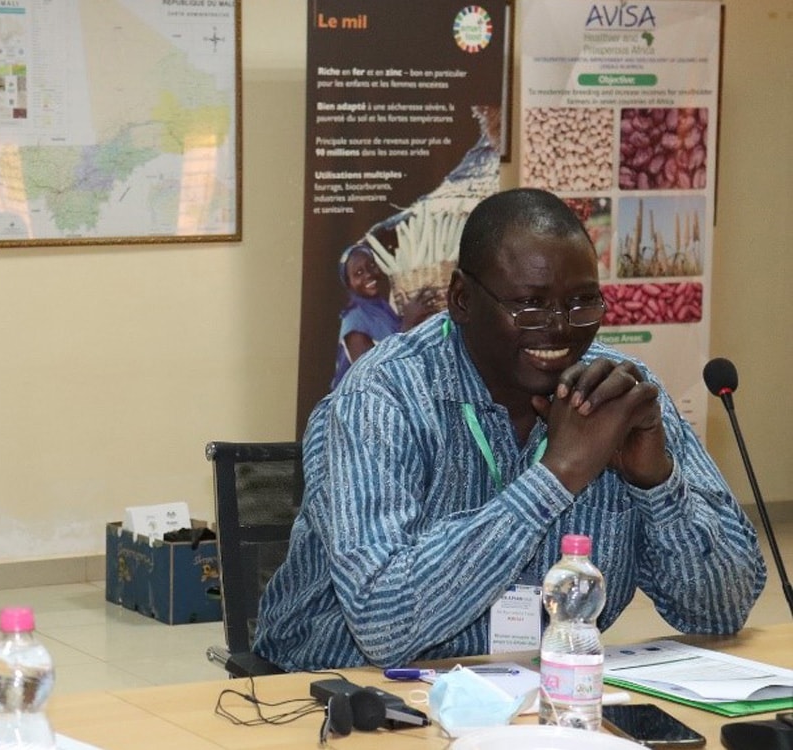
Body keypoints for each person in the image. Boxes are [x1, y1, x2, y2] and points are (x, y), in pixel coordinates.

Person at [255, 188, 766, 670]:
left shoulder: (618, 396)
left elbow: (721, 612)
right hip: (341, 692)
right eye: (530, 304)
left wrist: (657, 483)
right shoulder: (385, 394)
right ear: (461, 299)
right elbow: (382, 622)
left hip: (542, 691)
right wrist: (557, 475)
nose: (561, 326)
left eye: (582, 302)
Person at [330, 244, 428, 390]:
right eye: (358, 273)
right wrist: (408, 322)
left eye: (371, 265)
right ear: (349, 283)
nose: (368, 274)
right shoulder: (355, 320)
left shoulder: (383, 308)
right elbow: (371, 373)